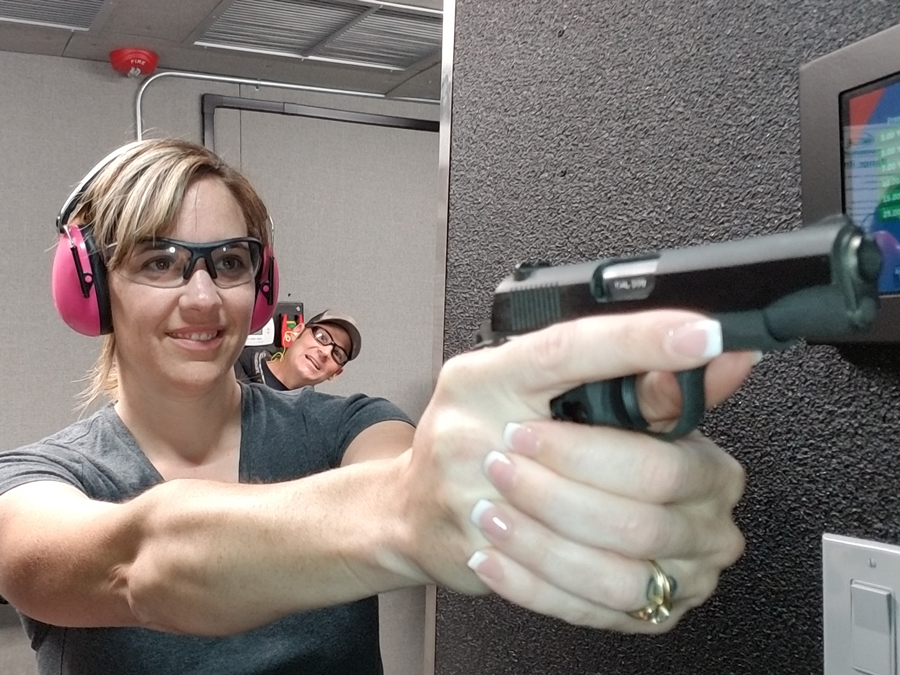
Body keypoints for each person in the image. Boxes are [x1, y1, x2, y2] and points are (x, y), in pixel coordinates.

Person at [0, 139, 756, 675]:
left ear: (259, 287)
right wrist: (404, 512)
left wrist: (567, 479)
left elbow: (430, 472)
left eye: (228, 262)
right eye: (159, 262)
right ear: (91, 288)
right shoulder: (34, 484)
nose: (203, 296)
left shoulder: (346, 424)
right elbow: (138, 563)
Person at [234, 310, 361, 390]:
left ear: (336, 373)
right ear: (297, 331)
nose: (326, 352)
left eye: (338, 354)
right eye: (322, 337)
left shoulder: (311, 422)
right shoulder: (229, 371)